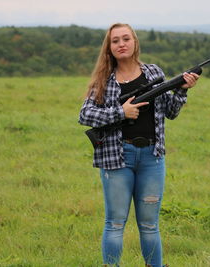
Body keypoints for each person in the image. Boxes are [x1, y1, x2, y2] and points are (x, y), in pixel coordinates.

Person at [78, 23, 199, 267]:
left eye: (126, 39)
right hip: (117, 158)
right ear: (109, 48)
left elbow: (171, 112)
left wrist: (182, 91)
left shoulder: (154, 73)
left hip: (152, 158)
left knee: (149, 225)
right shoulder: (104, 80)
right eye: (115, 41)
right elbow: (85, 115)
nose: (121, 44)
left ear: (134, 43)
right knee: (114, 222)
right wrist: (121, 112)